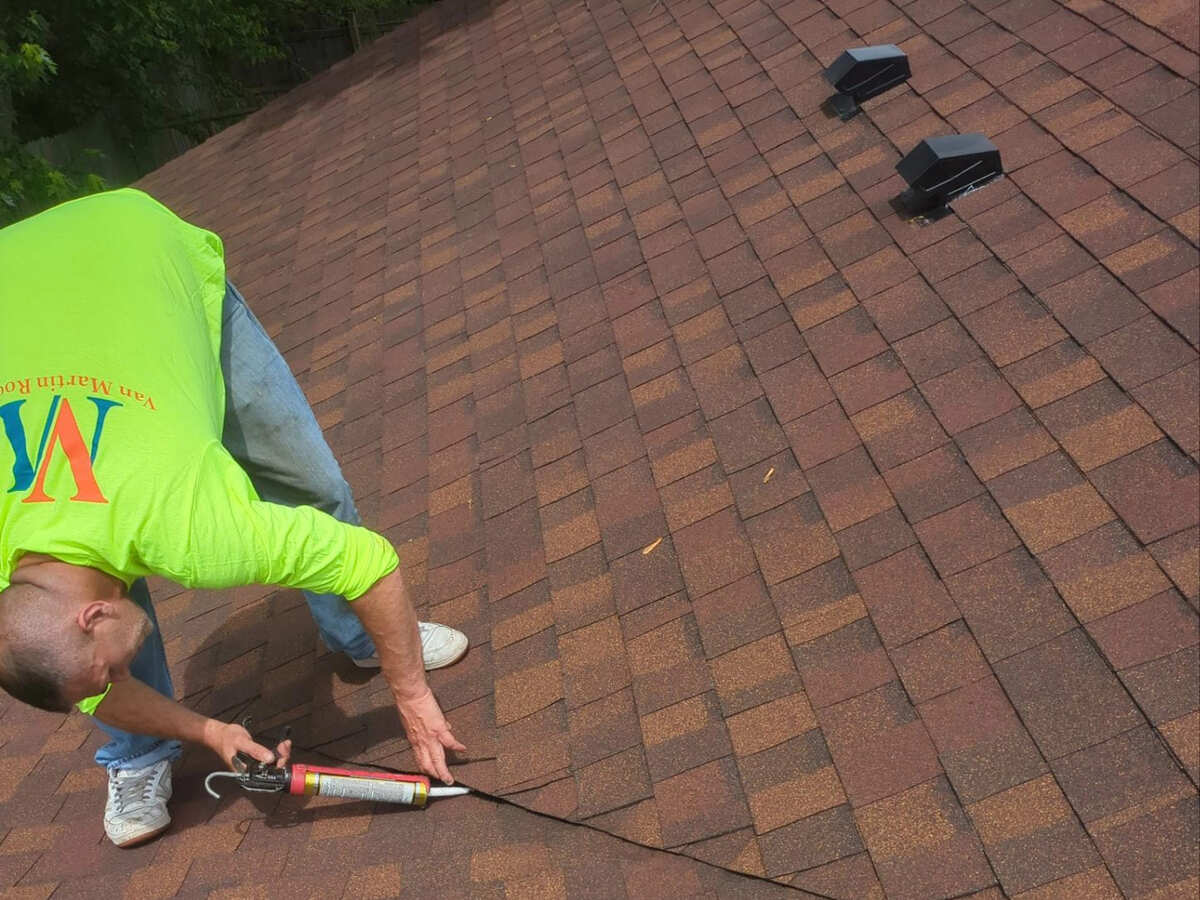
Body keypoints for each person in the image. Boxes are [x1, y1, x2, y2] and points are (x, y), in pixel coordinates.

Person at [0, 188, 468, 848]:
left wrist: (412, 697)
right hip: (19, 295)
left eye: (106, 677)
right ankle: (139, 755)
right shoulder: (23, 592)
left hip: (138, 250)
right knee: (81, 627)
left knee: (309, 486)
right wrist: (211, 732)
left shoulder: (190, 521)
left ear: (92, 616)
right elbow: (79, 673)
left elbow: (372, 561)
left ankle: (362, 639)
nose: (105, 689)